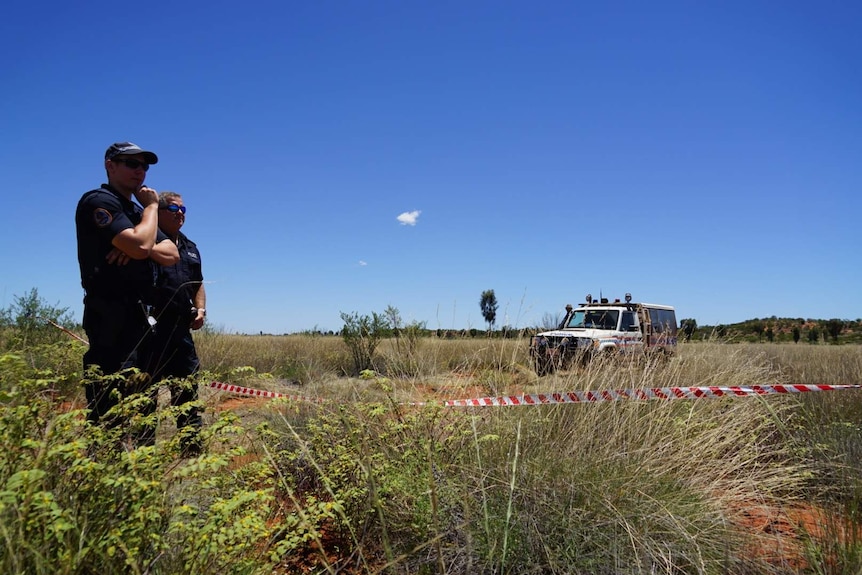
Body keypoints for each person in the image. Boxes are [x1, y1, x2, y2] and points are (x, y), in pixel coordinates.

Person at [75, 142, 179, 440]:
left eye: (144, 166)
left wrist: (139, 248)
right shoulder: (99, 201)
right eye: (131, 163)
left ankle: (144, 472)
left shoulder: (135, 210)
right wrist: (150, 212)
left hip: (142, 313)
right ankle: (107, 471)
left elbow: (172, 252)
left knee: (145, 392)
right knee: (110, 397)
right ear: (110, 165)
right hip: (109, 311)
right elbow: (144, 243)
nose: (140, 171)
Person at [146, 191, 206, 455]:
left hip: (181, 331)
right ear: (157, 211)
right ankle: (143, 453)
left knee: (187, 392)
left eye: (183, 209)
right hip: (149, 331)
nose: (180, 213)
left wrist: (201, 309)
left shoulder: (190, 248)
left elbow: (198, 283)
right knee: (146, 394)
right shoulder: (147, 241)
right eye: (173, 208)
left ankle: (191, 452)